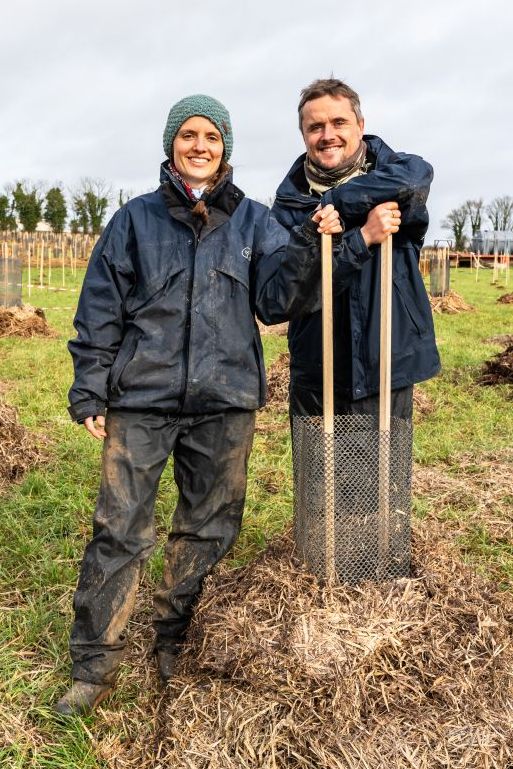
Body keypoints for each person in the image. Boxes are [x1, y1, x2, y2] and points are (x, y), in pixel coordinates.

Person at [54, 94, 350, 715]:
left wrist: (304, 245)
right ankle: (95, 664)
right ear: (170, 145)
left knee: (208, 527)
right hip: (142, 398)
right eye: (188, 135)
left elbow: (274, 302)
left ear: (225, 149)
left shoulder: (255, 222)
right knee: (119, 529)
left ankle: (174, 640)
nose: (199, 146)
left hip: (225, 400)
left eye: (210, 137)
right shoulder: (133, 221)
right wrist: (90, 387)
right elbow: (99, 310)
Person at [271, 78, 440, 421]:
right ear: (304, 135)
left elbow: (416, 178)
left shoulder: (398, 174)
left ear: (360, 126)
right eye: (315, 126)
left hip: (385, 365)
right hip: (317, 369)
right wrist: (362, 237)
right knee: (317, 473)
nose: (327, 134)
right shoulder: (290, 202)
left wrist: (336, 201)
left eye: (339, 122)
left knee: (383, 474)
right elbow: (291, 290)